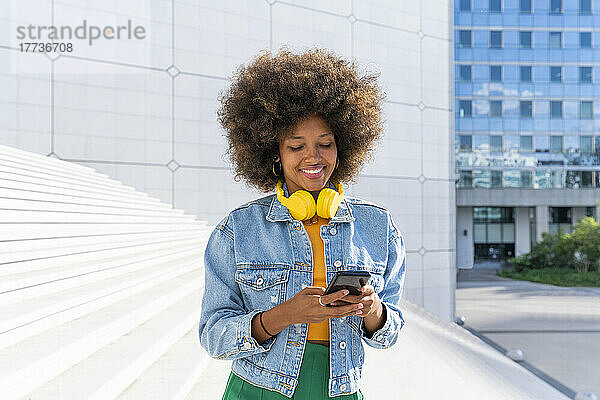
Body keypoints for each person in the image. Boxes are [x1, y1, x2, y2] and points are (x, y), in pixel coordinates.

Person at [198, 47, 407, 400]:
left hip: (339, 391)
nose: (314, 156)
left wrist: (374, 310)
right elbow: (213, 336)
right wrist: (282, 315)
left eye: (325, 143)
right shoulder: (238, 230)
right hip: (258, 390)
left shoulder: (378, 227)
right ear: (274, 154)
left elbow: (390, 333)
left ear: (343, 147)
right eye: (296, 146)